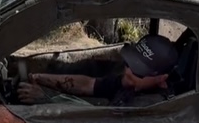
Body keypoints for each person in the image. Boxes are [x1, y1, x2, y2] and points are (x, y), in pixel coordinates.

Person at [17, 33, 180, 106]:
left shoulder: (151, 106)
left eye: (138, 70)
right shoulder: (132, 82)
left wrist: (47, 98)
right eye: (129, 63)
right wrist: (40, 78)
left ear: (162, 78)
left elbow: (97, 119)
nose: (128, 71)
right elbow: (89, 85)